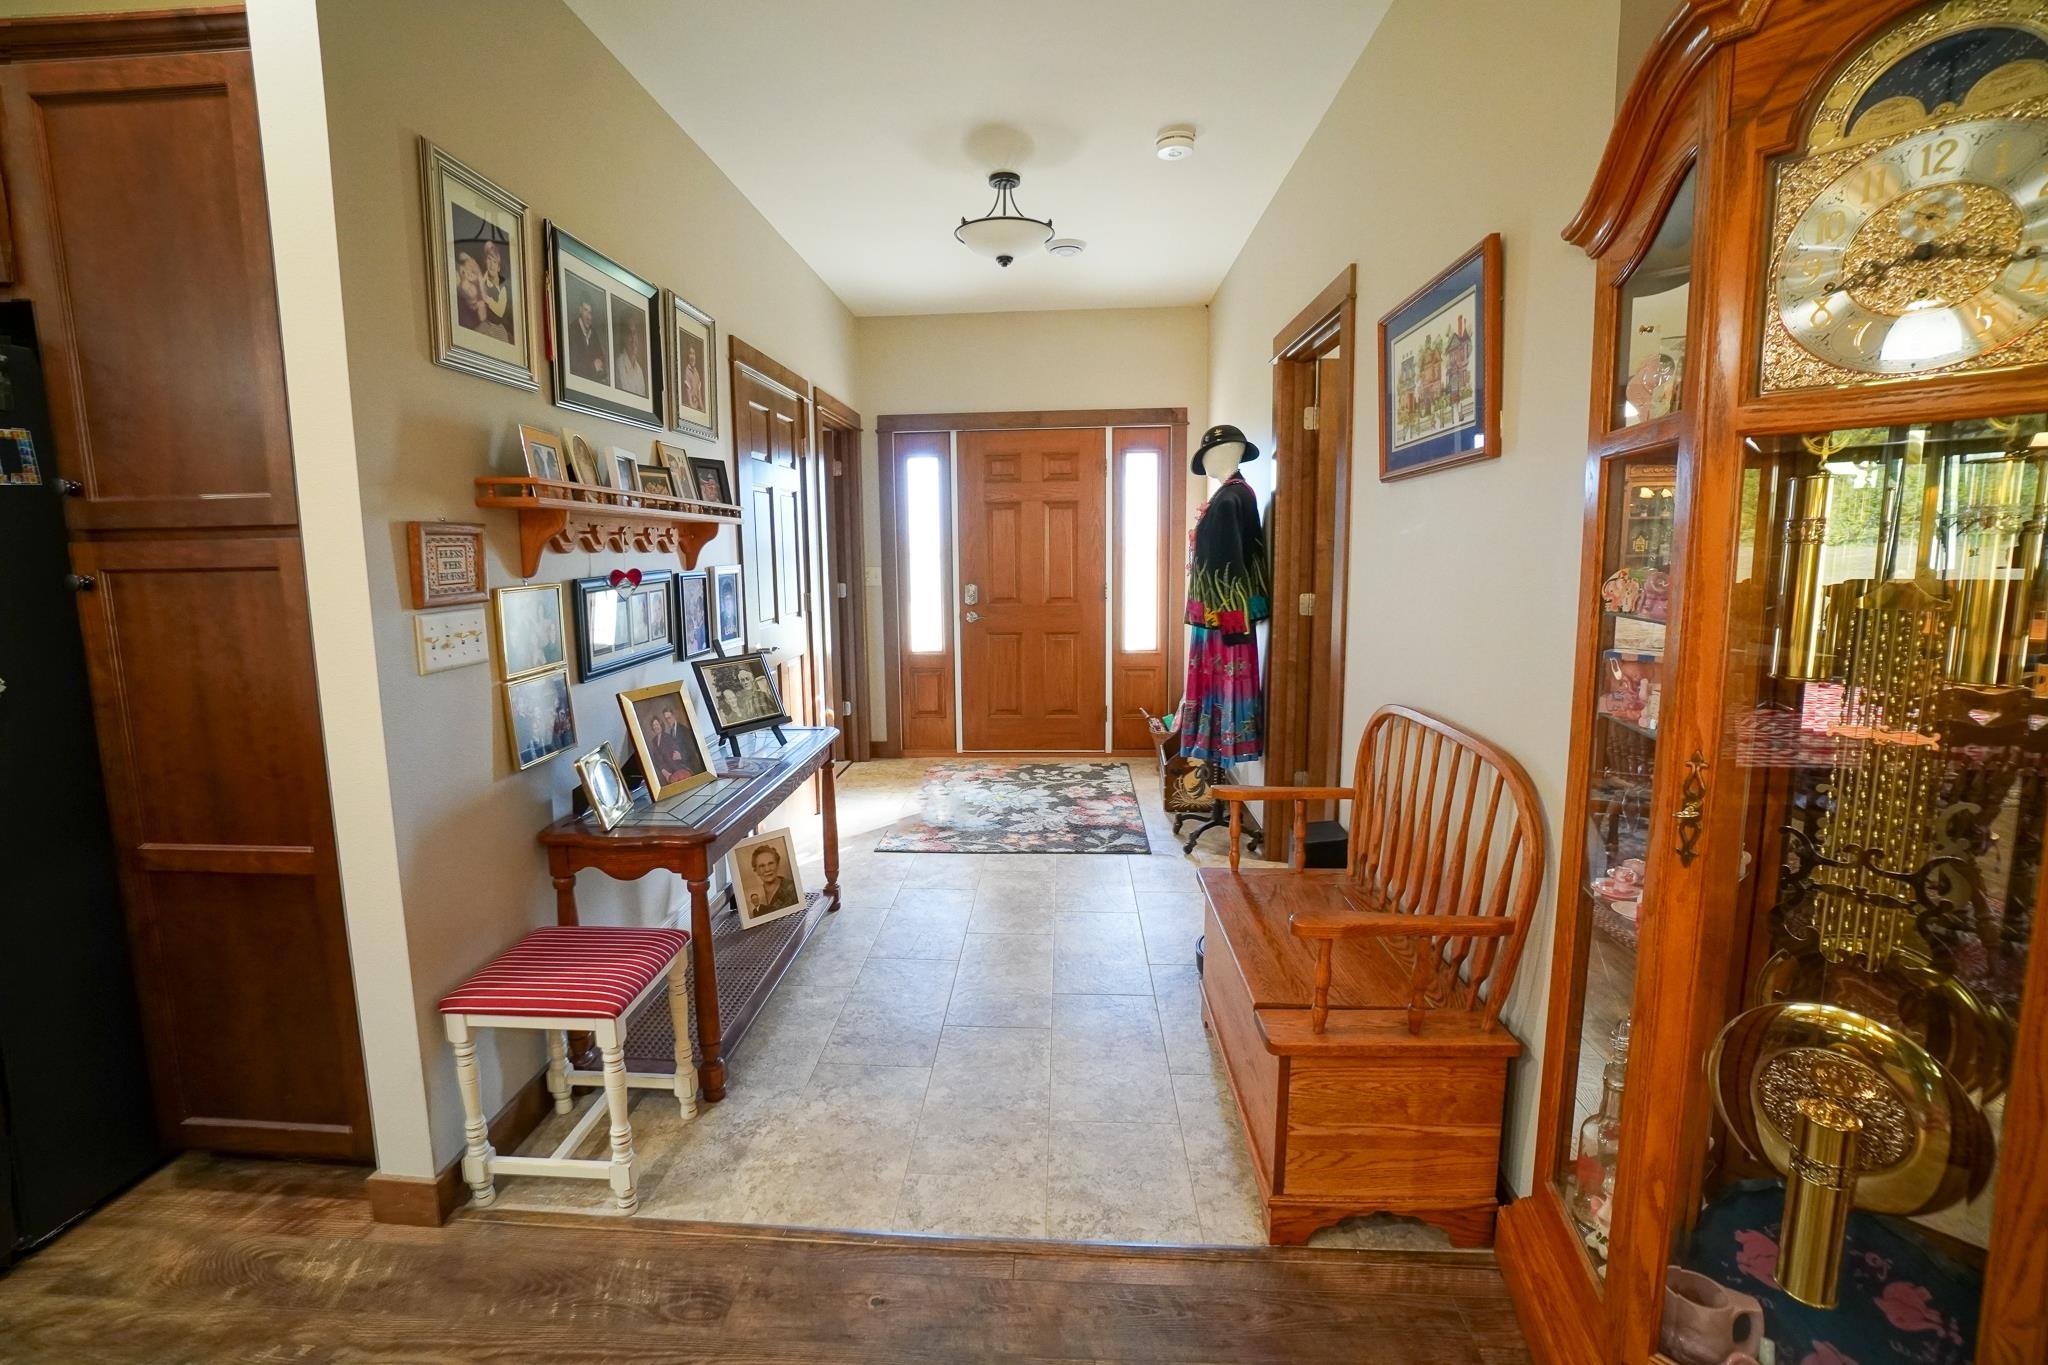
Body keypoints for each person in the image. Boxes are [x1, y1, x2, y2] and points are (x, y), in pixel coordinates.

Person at [745, 842, 799, 916]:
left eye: (771, 863)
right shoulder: (758, 894)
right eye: (762, 866)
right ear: (756, 870)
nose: (767, 869)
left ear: (777, 864)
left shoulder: (792, 888)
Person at [567, 298, 606, 382]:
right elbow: (573, 365)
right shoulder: (571, 331)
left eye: (590, 312)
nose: (589, 317)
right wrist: (593, 366)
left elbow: (601, 356)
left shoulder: (593, 333)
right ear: (580, 310)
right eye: (586, 310)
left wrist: (599, 362)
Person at [615, 316, 648, 396]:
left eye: (634, 333)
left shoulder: (639, 370)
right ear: (623, 337)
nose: (633, 339)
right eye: (629, 333)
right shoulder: (618, 365)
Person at [682, 340, 705, 411]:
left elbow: (700, 399)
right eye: (690, 353)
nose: (692, 356)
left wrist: (703, 411)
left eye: (693, 354)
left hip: (697, 409)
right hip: (690, 409)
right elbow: (690, 403)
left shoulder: (696, 372)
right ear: (687, 356)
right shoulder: (686, 372)